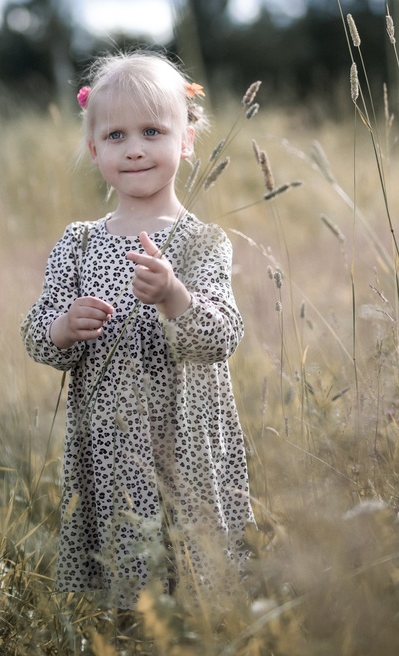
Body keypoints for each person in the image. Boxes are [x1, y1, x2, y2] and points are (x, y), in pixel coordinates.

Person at [20, 51, 253, 608]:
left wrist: (174, 295)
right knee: (126, 569)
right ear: (93, 149)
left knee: (193, 572)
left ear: (186, 140)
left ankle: (195, 636)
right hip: (110, 444)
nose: (134, 149)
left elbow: (222, 336)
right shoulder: (78, 243)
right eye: (116, 135)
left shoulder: (202, 241)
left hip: (187, 440)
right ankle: (128, 639)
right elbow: (35, 333)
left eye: (152, 131)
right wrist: (64, 328)